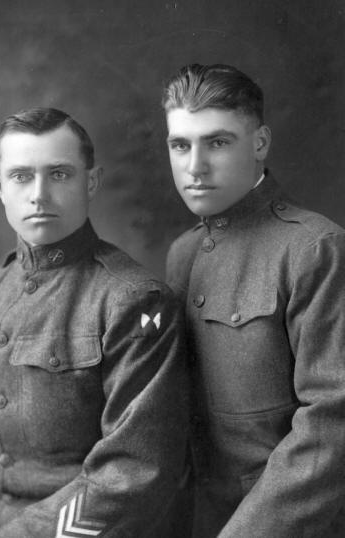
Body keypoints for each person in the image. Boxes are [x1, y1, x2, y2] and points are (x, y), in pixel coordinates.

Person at [0, 107, 189, 538]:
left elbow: (131, 472)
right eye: (21, 176)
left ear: (90, 182)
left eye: (58, 174)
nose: (39, 195)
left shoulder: (134, 300)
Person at [162, 63, 345, 537]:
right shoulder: (183, 254)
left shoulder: (313, 248)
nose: (195, 166)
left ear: (260, 143)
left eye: (218, 142)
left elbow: (331, 425)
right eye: (180, 145)